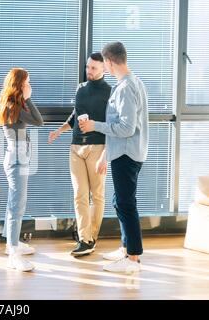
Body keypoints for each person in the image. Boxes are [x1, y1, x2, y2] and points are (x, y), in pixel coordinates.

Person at [80, 41, 149, 273]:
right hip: (124, 152)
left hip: (127, 154)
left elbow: (126, 128)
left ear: (109, 62)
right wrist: (105, 156)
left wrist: (94, 126)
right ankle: (125, 247)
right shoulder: (131, 82)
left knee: (126, 204)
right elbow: (120, 126)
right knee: (119, 202)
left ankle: (133, 259)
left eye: (104, 64)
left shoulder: (127, 87)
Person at [48, 52, 111, 257]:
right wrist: (60, 130)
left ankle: (91, 237)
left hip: (97, 147)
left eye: (93, 68)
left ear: (104, 69)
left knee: (97, 195)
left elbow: (113, 125)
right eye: (88, 67)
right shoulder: (81, 88)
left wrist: (106, 155)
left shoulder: (109, 92)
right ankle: (85, 239)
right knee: (79, 195)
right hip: (76, 148)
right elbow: (76, 115)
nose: (89, 71)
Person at [0, 68, 44, 272]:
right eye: (27, 83)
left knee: (12, 203)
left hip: (15, 158)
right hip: (17, 161)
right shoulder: (14, 107)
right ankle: (14, 254)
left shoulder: (10, 105)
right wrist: (29, 99)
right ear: (19, 85)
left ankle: (11, 245)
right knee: (17, 206)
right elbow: (39, 121)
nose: (29, 86)